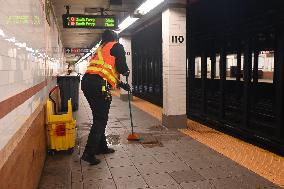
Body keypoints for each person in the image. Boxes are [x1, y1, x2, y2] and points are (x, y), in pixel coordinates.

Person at [81, 30, 130, 165]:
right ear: (115, 38)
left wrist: (122, 85)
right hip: (98, 85)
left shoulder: (100, 49)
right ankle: (89, 153)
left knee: (99, 117)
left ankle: (101, 147)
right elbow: (121, 68)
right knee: (100, 119)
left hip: (87, 83)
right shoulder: (116, 46)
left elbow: (104, 71)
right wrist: (126, 71)